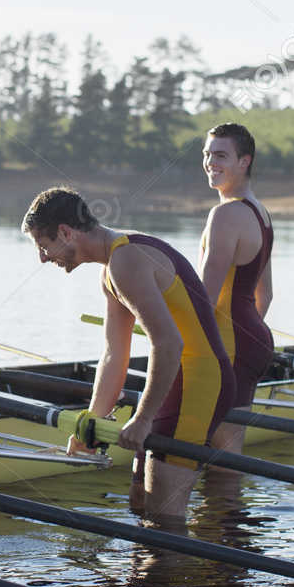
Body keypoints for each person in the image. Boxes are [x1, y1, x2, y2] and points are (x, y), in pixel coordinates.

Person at [23, 187, 233, 525]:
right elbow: (113, 354)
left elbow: (169, 344)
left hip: (198, 384)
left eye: (43, 246)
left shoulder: (127, 260)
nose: (43, 258)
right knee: (140, 503)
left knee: (164, 520)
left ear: (65, 232)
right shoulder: (112, 270)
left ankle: (178, 575)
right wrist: (89, 423)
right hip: (177, 382)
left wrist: (144, 417)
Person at [196, 123, 274, 436]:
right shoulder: (260, 213)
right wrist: (246, 337)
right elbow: (265, 296)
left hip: (228, 345)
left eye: (221, 155)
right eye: (207, 154)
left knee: (221, 458)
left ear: (245, 161)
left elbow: (205, 298)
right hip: (249, 341)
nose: (210, 162)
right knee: (224, 454)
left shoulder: (226, 215)